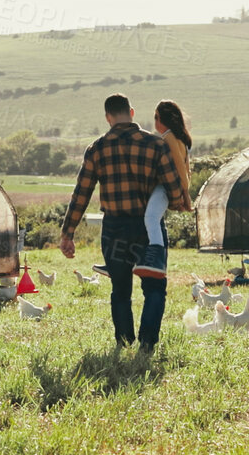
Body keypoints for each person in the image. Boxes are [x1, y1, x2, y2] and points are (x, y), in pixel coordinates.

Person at [61, 93, 187, 354]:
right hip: (148, 229)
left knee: (120, 289)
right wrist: (175, 203)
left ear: (108, 117)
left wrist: (68, 232)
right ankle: (147, 343)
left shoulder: (96, 149)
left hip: (114, 229)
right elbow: (173, 186)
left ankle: (124, 341)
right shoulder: (155, 144)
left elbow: (81, 193)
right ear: (131, 113)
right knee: (154, 287)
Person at [135, 100, 194, 280]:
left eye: (156, 117)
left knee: (150, 218)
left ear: (162, 119)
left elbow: (179, 167)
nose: (154, 122)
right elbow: (187, 168)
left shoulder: (168, 138)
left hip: (165, 186)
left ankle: (156, 259)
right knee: (152, 219)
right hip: (172, 186)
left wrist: (184, 193)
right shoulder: (179, 138)